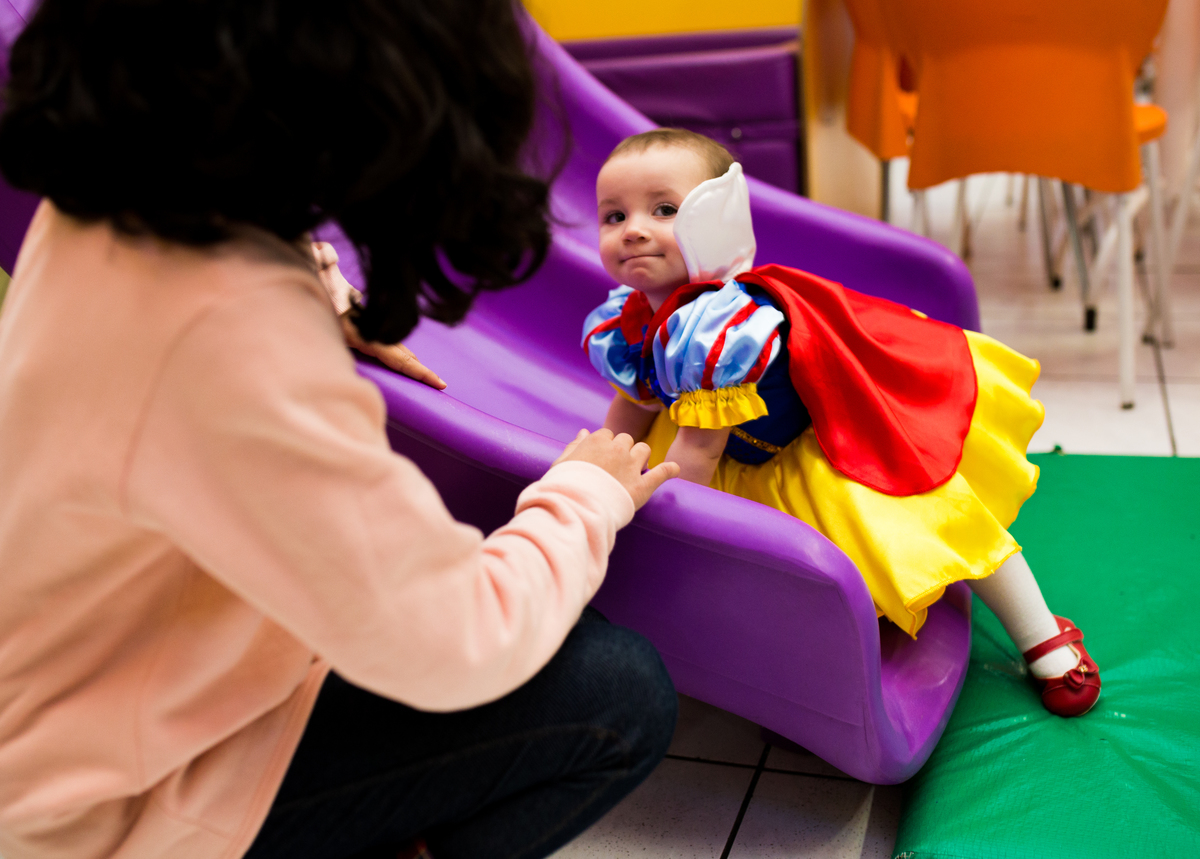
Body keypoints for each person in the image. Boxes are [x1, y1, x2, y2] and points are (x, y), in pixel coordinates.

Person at [0, 2, 681, 859]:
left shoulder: (119, 189)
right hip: (109, 805)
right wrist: (584, 493)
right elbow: (459, 640)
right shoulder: (228, 336)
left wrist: (318, 294)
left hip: (79, 701)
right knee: (617, 693)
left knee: (575, 638)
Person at [582, 128, 1102, 718]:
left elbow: (697, 455)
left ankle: (1039, 630)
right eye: (614, 215)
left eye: (664, 210)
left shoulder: (719, 327)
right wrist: (601, 463)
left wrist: (656, 533)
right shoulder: (628, 319)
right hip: (729, 458)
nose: (633, 230)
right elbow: (639, 402)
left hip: (816, 446)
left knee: (942, 518)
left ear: (715, 216)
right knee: (783, 579)